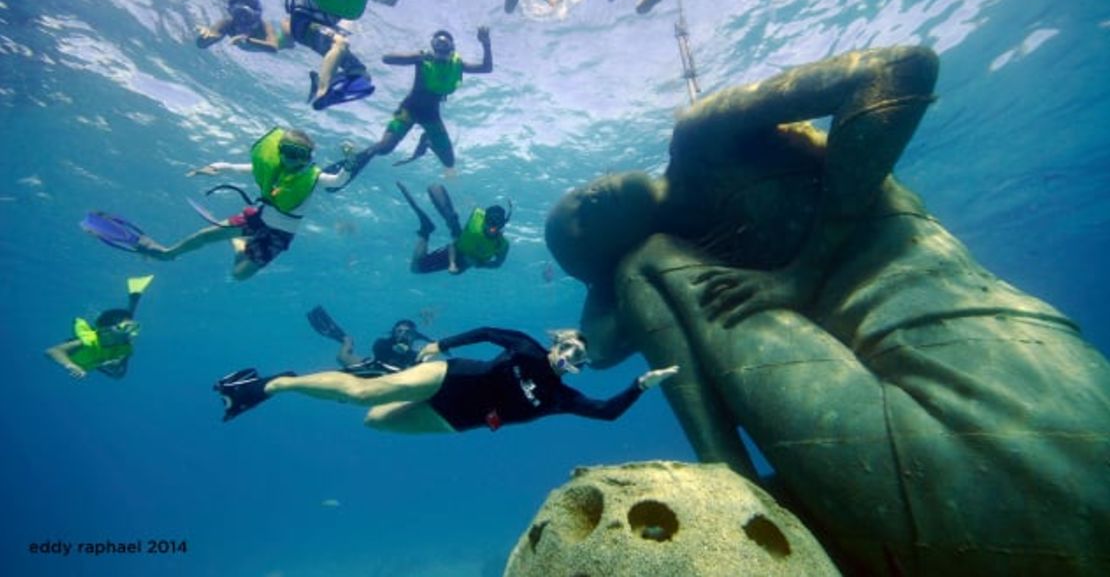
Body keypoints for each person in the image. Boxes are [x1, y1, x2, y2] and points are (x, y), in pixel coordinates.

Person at [544, 46, 1110, 575]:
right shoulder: (660, 260)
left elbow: (900, 68)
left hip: (987, 361)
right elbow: (601, 347)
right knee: (644, 263)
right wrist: (609, 284)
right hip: (1027, 367)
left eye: (571, 197)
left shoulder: (701, 139)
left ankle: (735, 495)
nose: (580, 203)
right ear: (600, 267)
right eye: (575, 232)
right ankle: (737, 501)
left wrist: (804, 272)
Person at [214, 327, 679, 433]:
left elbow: (607, 413)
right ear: (557, 345)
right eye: (570, 346)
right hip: (448, 378)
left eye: (580, 355)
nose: (572, 355)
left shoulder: (563, 397)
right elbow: (487, 331)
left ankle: (387, 373)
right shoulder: (526, 348)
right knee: (359, 396)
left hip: (460, 419)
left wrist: (641, 385)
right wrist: (443, 345)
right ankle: (273, 384)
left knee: (373, 421)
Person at [86, 129, 350, 280]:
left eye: (299, 155)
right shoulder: (273, 170)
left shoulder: (315, 178)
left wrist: (352, 158)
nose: (292, 159)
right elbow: (239, 168)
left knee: (239, 275)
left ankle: (239, 245)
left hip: (281, 233)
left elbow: (338, 180)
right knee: (204, 236)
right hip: (257, 217)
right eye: (287, 153)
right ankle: (168, 253)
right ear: (279, 152)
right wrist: (215, 167)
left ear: (308, 158)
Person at [334, 28, 494, 186]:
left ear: (452, 47)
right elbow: (386, 58)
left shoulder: (458, 65)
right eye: (438, 43)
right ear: (433, 46)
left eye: (445, 44)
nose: (441, 48)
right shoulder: (423, 59)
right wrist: (419, 56)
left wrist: (486, 43)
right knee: (385, 148)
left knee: (449, 162)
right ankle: (358, 158)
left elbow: (487, 68)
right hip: (408, 110)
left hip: (431, 116)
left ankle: (427, 141)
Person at [288, 0, 414, 109]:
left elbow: (390, 1)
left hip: (327, 34)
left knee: (361, 76)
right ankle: (322, 92)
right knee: (340, 42)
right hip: (303, 24)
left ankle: (319, 84)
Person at [45, 275, 154, 380]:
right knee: (117, 373)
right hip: (87, 354)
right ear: (107, 330)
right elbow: (52, 351)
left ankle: (134, 298)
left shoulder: (125, 343)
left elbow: (123, 330)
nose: (132, 333)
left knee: (119, 374)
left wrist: (115, 362)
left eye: (135, 328)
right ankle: (133, 299)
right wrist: (71, 366)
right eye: (126, 328)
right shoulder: (89, 341)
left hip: (100, 358)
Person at [396, 181, 509, 275]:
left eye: (498, 224)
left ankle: (427, 229)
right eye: (490, 222)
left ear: (503, 224)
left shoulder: (502, 245)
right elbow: (452, 246)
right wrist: (452, 263)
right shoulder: (476, 223)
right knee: (415, 268)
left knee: (418, 269)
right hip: (458, 248)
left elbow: (497, 264)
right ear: (484, 219)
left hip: (464, 260)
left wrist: (480, 264)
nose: (492, 227)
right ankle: (426, 230)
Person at [306, 306, 430, 376]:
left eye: (408, 332)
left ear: (414, 336)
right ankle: (346, 339)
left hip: (390, 377)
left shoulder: (416, 354)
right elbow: (378, 349)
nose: (403, 334)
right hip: (371, 367)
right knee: (342, 357)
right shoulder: (383, 343)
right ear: (394, 333)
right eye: (399, 331)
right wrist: (394, 349)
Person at [195, 0, 294, 54]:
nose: (243, 19)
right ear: (232, 12)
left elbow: (273, 47)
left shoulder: (264, 25)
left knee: (287, 27)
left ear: (256, 11)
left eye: (247, 14)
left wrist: (247, 40)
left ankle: (297, 2)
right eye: (238, 13)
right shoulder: (227, 24)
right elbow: (202, 45)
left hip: (280, 41)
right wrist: (207, 37)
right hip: (253, 45)